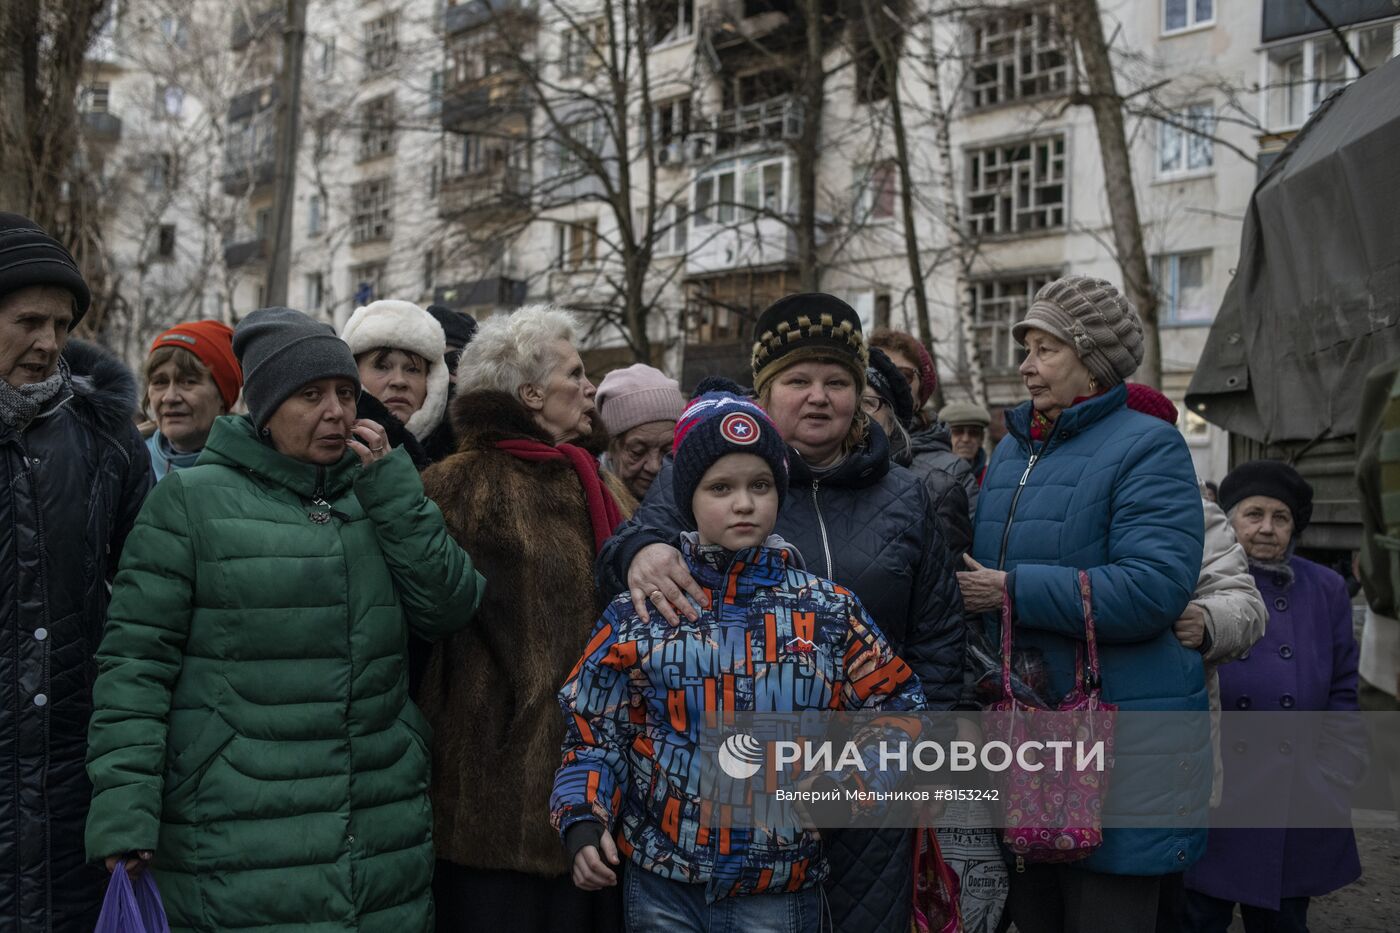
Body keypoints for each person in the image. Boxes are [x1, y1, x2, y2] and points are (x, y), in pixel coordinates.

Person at [84, 307, 483, 931]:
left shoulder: (378, 489)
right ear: (265, 409)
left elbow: (449, 606)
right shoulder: (189, 502)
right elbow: (134, 666)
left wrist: (395, 493)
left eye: (346, 394)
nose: (337, 412)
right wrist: (124, 812)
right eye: (310, 395)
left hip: (376, 828)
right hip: (237, 832)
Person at [597, 293, 966, 933]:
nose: (818, 397)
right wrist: (640, 549)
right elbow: (636, 550)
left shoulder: (909, 494)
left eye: (837, 382)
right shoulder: (720, 472)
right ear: (765, 394)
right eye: (797, 380)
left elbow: (936, 642)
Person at [553, 390, 927, 932]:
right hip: (665, 881)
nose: (744, 504)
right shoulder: (642, 611)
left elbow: (897, 711)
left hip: (776, 884)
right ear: (689, 498)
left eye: (760, 486)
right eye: (720, 488)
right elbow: (593, 730)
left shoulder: (826, 609)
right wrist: (584, 819)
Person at [956, 275, 1207, 933]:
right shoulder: (1013, 449)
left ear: (1092, 361)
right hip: (1031, 737)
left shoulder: (1148, 446)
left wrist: (1011, 590)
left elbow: (1153, 587)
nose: (1026, 365)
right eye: (1026, 347)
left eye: (1046, 349)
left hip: (1121, 744)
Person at [418, 305, 635, 933]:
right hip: (493, 794)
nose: (591, 386)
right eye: (576, 372)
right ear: (532, 393)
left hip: (599, 785)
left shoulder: (596, 478)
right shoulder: (456, 487)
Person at [0, 212, 153, 931]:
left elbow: (150, 612)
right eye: (28, 320)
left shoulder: (104, 440)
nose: (49, 343)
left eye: (61, 323)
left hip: (70, 791)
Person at [1183, 461, 1364, 933]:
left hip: (1295, 793)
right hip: (1216, 794)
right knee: (1199, 916)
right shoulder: (1202, 581)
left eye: (1280, 517)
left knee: (1283, 918)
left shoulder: (1325, 589)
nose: (1267, 528)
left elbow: (1344, 688)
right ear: (1230, 520)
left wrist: (1334, 773)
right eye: (1254, 514)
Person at [1122, 384, 1268, 933]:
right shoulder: (1068, 495)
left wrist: (1208, 623)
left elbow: (1244, 605)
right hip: (1075, 731)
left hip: (1166, 744)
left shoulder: (1194, 510)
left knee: (1161, 898)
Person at [865, 346, 971, 555]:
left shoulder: (936, 488)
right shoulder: (811, 480)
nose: (857, 413)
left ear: (892, 420)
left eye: (867, 403)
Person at [870, 328, 979, 516]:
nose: (890, 383)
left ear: (921, 396)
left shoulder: (949, 473)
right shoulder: (832, 456)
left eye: (903, 375)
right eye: (877, 372)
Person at [340, 299, 452, 469]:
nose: (399, 381)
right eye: (382, 367)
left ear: (433, 382)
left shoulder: (460, 456)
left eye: (412, 369)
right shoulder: (330, 453)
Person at [143, 319, 242, 479]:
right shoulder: (125, 463)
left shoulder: (253, 473)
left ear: (222, 398)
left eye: (188, 382)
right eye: (160, 382)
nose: (170, 397)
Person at [596, 363, 685, 501]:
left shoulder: (693, 502)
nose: (654, 467)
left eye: (667, 451)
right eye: (638, 452)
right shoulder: (590, 505)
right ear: (610, 448)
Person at [938, 400, 991, 490]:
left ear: (981, 439)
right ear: (945, 436)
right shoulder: (933, 475)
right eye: (958, 432)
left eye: (973, 433)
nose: (965, 439)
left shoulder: (991, 477)